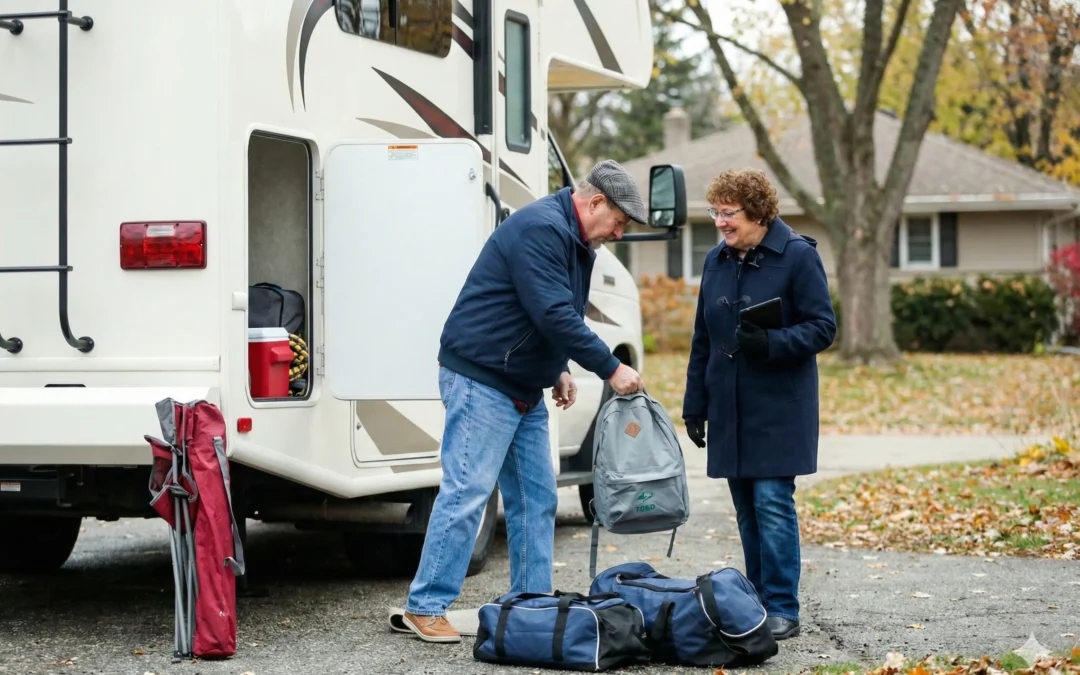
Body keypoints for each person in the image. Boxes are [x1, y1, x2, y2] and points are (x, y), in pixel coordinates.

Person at [400, 159, 647, 643]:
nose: (619, 233)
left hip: (520, 384)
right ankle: (424, 604)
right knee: (468, 492)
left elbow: (552, 309)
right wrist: (610, 366)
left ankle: (532, 603)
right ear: (595, 202)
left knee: (537, 496)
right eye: (618, 221)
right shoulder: (539, 228)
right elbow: (553, 311)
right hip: (481, 378)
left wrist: (557, 368)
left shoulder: (580, 243)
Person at [681, 168, 836, 641]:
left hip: (779, 407)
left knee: (771, 502)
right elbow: (703, 336)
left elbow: (822, 327)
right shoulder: (715, 260)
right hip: (727, 404)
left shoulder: (797, 258)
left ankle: (783, 606)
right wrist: (694, 403)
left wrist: (770, 342)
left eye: (730, 214)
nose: (721, 223)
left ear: (759, 213)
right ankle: (757, 603)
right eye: (716, 213)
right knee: (746, 507)